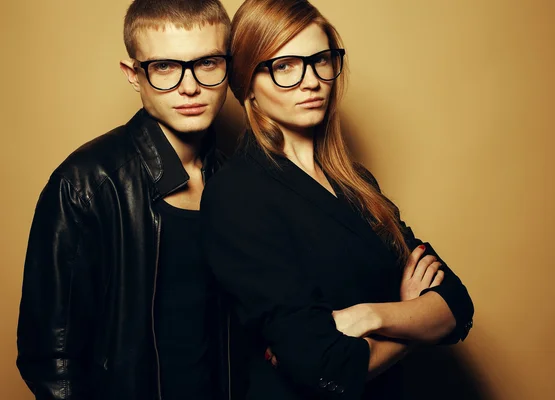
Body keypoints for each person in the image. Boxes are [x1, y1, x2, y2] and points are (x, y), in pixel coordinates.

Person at [199, 0, 474, 399]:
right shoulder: (237, 196)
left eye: (321, 59)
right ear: (248, 84)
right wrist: (413, 319)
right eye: (285, 66)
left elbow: (456, 305)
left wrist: (369, 315)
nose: (311, 81)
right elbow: (327, 366)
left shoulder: (356, 183)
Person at [16, 1, 231, 399]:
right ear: (133, 74)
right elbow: (49, 358)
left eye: (208, 62)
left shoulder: (236, 180)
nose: (190, 86)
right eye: (165, 66)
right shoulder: (84, 184)